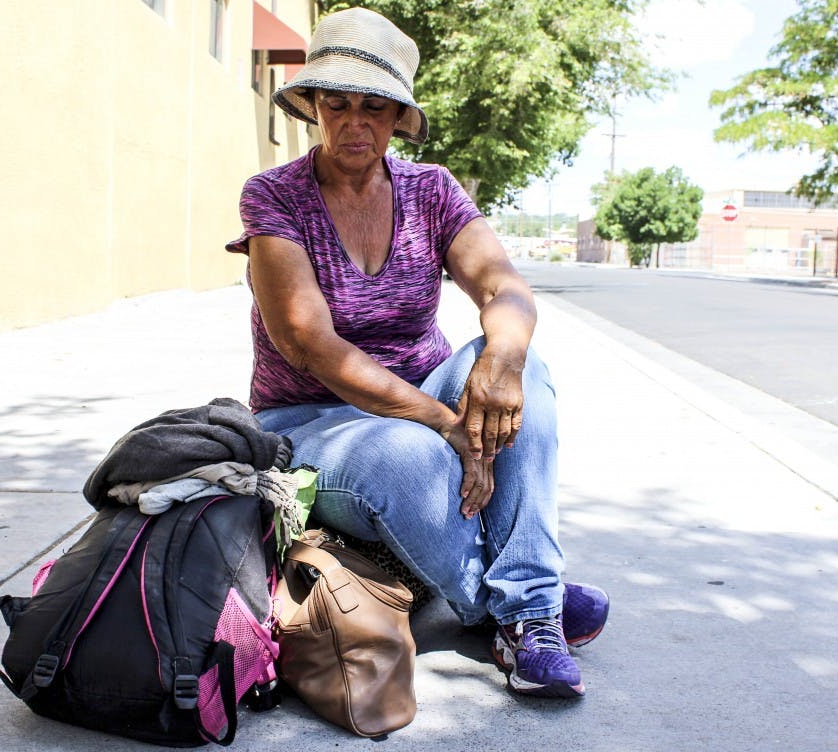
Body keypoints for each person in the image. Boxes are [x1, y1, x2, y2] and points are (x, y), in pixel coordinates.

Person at [227, 7, 608, 698]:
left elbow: (501, 285)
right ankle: (520, 605)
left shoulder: (431, 190)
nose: (354, 122)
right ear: (311, 104)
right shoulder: (273, 197)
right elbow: (309, 345)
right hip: (312, 420)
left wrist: (505, 357)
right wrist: (442, 422)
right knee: (404, 459)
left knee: (523, 373)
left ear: (400, 115)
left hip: (420, 386)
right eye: (336, 103)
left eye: (374, 106)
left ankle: (528, 614)